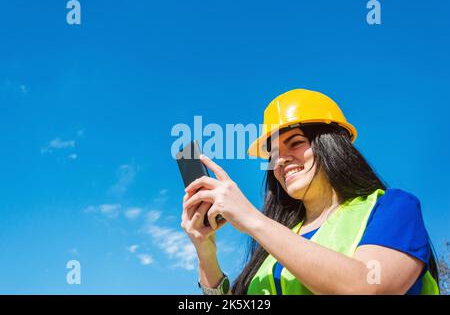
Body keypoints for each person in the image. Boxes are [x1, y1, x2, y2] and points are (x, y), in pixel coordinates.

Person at [181, 89, 440, 295]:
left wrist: (251, 219)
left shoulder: (391, 209)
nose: (281, 160)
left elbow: (369, 288)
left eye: (295, 143)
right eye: (273, 154)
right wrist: (206, 251)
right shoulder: (275, 245)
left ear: (331, 145)